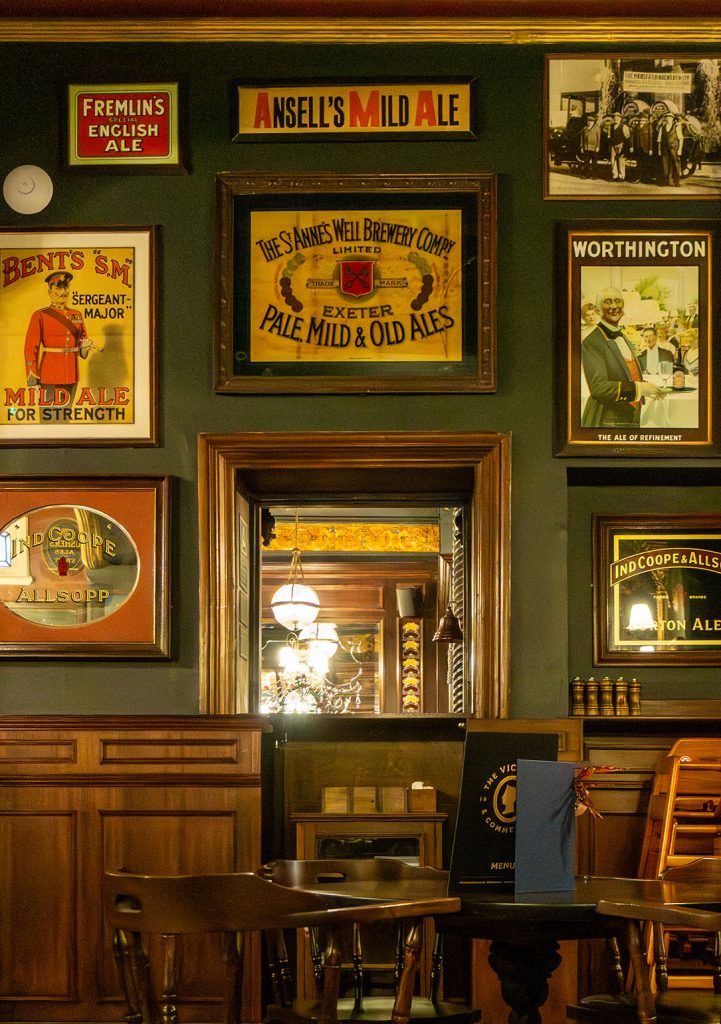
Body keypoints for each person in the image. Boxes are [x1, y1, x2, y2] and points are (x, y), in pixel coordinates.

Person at [581, 288, 663, 427]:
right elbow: (598, 388)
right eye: (607, 302)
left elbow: (628, 374)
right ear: (599, 309)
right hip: (610, 419)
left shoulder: (623, 336)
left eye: (617, 301)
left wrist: (650, 389)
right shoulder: (592, 341)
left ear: (623, 306)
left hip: (633, 414)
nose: (614, 306)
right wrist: (640, 389)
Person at [24, 271, 93, 405]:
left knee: (66, 416)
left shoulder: (77, 315)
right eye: (58, 288)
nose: (63, 292)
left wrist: (85, 347)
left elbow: (81, 348)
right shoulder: (40, 315)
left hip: (72, 375)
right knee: (48, 417)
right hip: (49, 376)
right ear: (50, 292)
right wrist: (33, 381)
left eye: (65, 288)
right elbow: (30, 348)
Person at [657, 112, 683, 187]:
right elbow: (659, 140)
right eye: (667, 117)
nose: (668, 119)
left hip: (674, 148)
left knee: (676, 164)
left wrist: (680, 149)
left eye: (670, 117)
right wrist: (659, 150)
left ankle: (677, 181)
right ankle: (666, 181)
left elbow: (681, 139)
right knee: (665, 165)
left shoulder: (677, 127)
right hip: (664, 148)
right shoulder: (663, 127)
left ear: (672, 119)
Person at [609, 113, 630, 181]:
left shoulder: (624, 126)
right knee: (613, 160)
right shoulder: (611, 126)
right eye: (614, 117)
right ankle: (615, 176)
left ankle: (621, 176)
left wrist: (625, 147)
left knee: (621, 161)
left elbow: (627, 137)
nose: (615, 119)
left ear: (620, 119)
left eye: (617, 117)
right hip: (613, 145)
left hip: (621, 145)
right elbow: (609, 136)